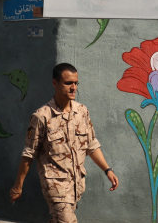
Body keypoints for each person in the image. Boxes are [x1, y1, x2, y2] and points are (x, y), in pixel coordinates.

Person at [10, 63, 119, 222]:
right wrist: (18, 186)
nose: (73, 87)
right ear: (55, 83)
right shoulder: (42, 117)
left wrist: (107, 170)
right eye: (68, 83)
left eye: (76, 83)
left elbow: (91, 145)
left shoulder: (82, 112)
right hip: (55, 186)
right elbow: (29, 154)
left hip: (76, 185)